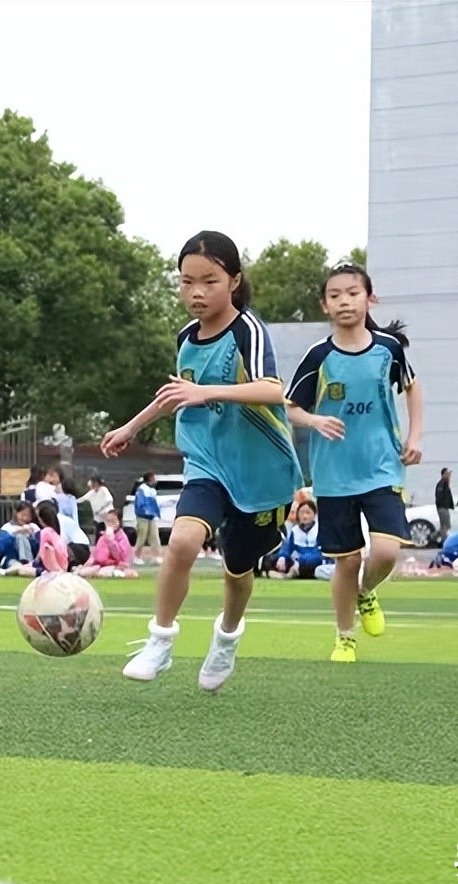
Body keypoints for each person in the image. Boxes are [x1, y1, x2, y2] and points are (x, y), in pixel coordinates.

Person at [102, 230, 303, 692]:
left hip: (261, 474)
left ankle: (227, 637)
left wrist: (208, 392)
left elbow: (273, 390)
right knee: (183, 544)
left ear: (233, 280)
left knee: (238, 572)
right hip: (208, 463)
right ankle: (161, 640)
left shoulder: (247, 330)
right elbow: (178, 394)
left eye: (208, 281)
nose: (196, 292)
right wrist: (131, 426)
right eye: (186, 281)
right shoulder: (186, 338)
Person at [286, 262, 423, 663]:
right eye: (335, 295)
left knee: (384, 552)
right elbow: (290, 407)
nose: (344, 301)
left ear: (369, 298)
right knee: (345, 561)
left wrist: (414, 438)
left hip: (382, 466)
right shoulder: (319, 356)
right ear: (325, 305)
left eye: (352, 292)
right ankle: (344, 637)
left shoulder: (388, 349)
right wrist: (315, 420)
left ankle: (367, 592)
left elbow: (413, 390)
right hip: (334, 475)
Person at [265, 500, 332, 580]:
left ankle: (291, 573)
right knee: (272, 559)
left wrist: (300, 561)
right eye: (302, 513)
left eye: (308, 513)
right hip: (296, 560)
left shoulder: (319, 530)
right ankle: (278, 573)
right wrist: (282, 558)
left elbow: (320, 553)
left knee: (311, 563)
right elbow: (286, 549)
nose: (304, 516)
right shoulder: (295, 530)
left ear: (314, 514)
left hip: (312, 561)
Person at [77, 509, 138, 579]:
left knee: (104, 572)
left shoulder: (122, 538)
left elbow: (119, 557)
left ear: (119, 522)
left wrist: (111, 540)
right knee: (82, 572)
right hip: (100, 565)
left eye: (113, 521)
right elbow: (95, 553)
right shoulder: (102, 537)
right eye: (108, 521)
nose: (110, 524)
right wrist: (90, 561)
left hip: (117, 566)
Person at [132, 473, 163, 564]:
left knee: (154, 536)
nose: (155, 480)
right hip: (142, 517)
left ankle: (156, 556)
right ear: (149, 479)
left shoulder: (152, 490)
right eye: (153, 478)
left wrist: (157, 513)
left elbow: (154, 503)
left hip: (151, 516)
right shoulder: (142, 489)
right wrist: (144, 510)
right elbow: (140, 503)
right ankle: (137, 556)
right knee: (142, 536)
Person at [34, 499, 69, 574]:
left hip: (50, 568)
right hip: (62, 566)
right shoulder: (55, 533)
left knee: (21, 569)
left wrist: (35, 562)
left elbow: (41, 551)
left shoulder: (45, 532)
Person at [434, 468, 454, 543]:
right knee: (446, 526)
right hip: (442, 508)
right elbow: (439, 496)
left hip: (443, 507)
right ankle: (442, 541)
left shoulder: (445, 483)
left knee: (443, 527)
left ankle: (434, 537)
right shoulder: (442, 483)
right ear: (444, 474)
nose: (449, 475)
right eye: (447, 473)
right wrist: (441, 505)